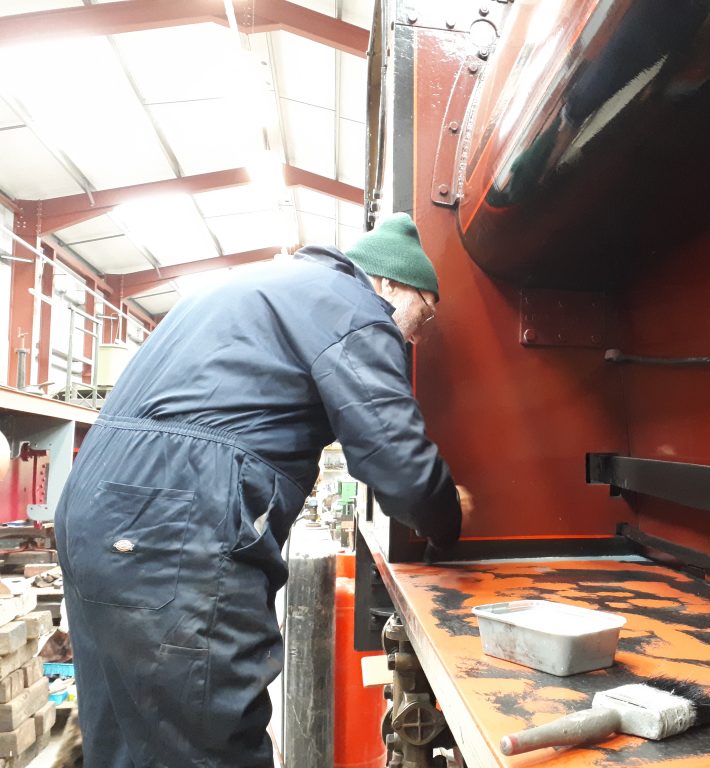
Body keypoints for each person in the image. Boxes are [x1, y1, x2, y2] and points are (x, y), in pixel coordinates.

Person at [54, 213, 469, 767]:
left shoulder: (255, 286)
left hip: (99, 512)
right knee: (207, 740)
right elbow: (398, 462)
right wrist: (448, 517)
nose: (417, 334)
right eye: (425, 313)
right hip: (177, 523)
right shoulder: (351, 306)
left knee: (129, 738)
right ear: (389, 284)